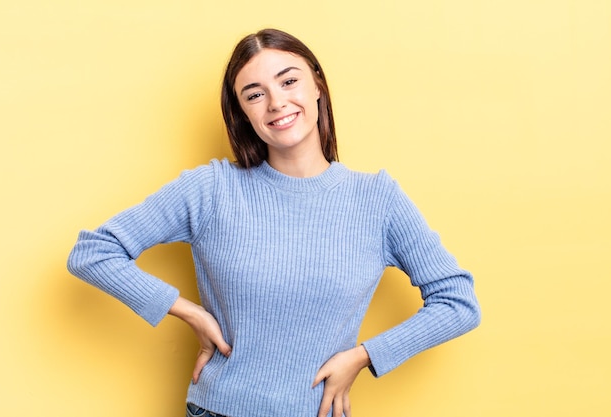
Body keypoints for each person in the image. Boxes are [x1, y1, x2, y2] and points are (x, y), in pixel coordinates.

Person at [67, 28, 481, 417]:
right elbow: (93, 252)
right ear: (242, 113)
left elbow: (458, 302)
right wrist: (189, 311)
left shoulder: (377, 199)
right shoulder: (210, 189)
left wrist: (363, 356)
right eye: (254, 94)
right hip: (218, 409)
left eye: (288, 81)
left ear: (317, 84)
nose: (276, 103)